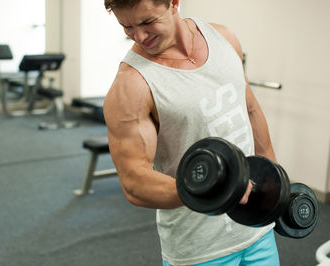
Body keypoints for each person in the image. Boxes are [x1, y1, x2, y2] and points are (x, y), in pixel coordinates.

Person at [103, 0, 279, 265]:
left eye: (147, 22)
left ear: (174, 3)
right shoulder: (131, 84)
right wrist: (216, 192)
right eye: (126, 26)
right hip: (200, 249)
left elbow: (250, 108)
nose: (138, 36)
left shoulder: (224, 38)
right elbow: (134, 182)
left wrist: (275, 179)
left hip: (257, 230)